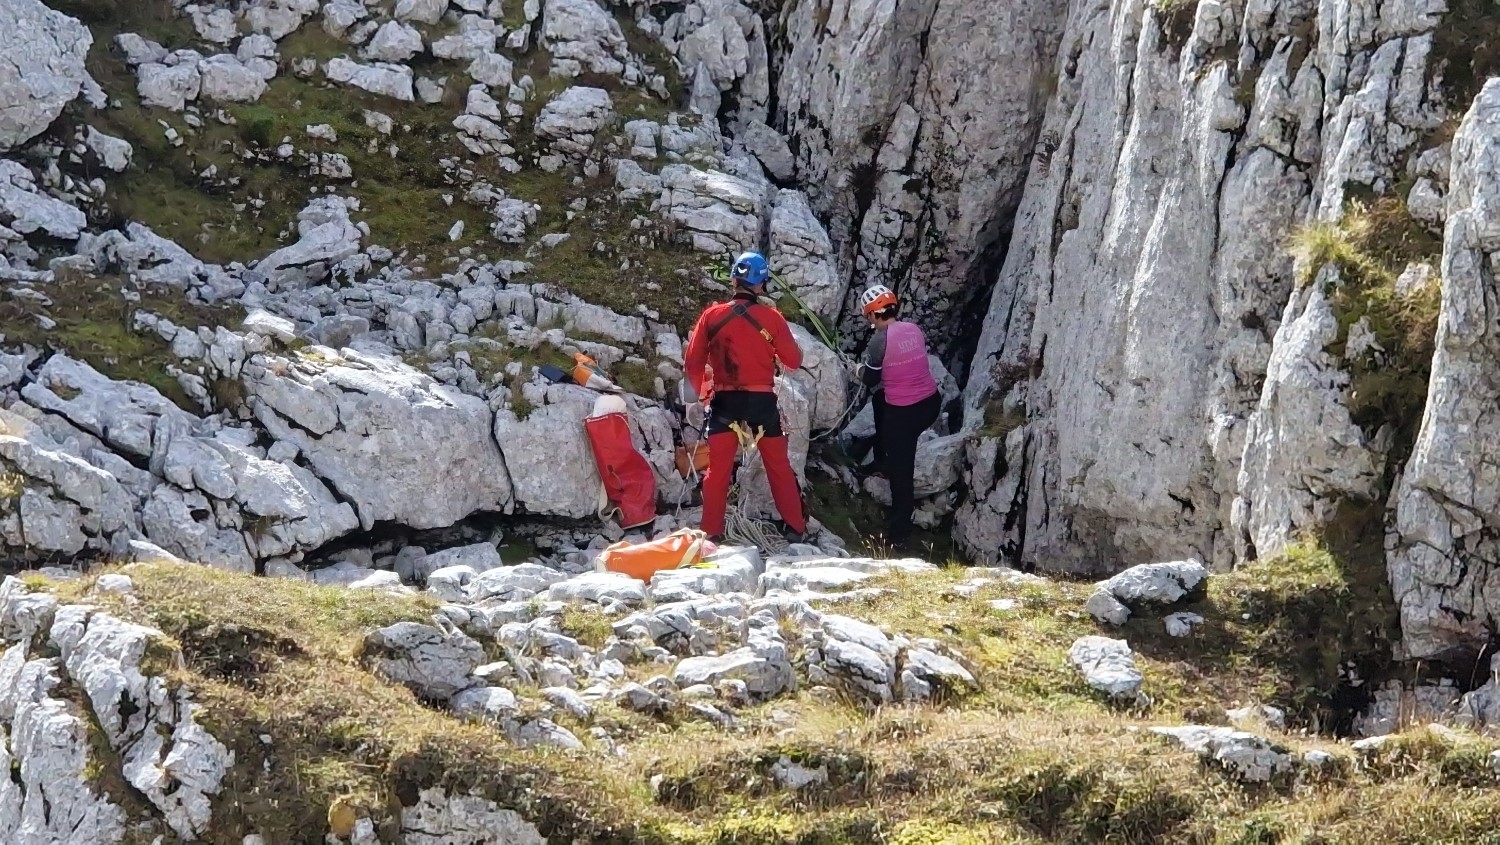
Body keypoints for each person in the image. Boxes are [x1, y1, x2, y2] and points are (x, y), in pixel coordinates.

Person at [683, 251, 809, 544]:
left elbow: (693, 361)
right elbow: (793, 361)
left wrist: (692, 398)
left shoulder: (711, 316)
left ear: (734, 280)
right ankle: (796, 528)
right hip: (761, 403)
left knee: (718, 470)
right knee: (777, 465)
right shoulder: (772, 318)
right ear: (761, 283)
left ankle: (711, 533)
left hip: (725, 401)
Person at [856, 284, 939, 549]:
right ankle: (881, 459)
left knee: (902, 472)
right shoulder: (913, 329)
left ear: (872, 314)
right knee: (880, 400)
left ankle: (899, 536)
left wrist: (856, 370)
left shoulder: (879, 341)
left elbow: (870, 379)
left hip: (904, 414)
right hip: (930, 403)